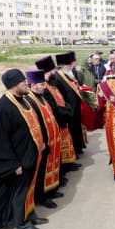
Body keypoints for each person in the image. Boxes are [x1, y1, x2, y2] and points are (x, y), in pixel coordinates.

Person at [0, 69, 47, 229]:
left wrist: (40, 143)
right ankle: (21, 223)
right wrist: (12, 164)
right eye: (23, 82)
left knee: (29, 189)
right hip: (20, 161)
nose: (27, 84)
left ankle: (30, 214)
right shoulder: (3, 107)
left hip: (31, 154)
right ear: (14, 85)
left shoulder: (23, 99)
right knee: (20, 193)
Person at [36, 55, 78, 187]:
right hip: (56, 121)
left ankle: (66, 167)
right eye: (52, 70)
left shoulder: (51, 82)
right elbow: (52, 106)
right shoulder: (44, 87)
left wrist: (66, 108)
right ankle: (60, 175)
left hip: (62, 117)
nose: (55, 71)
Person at [25, 70, 61, 209]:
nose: (44, 86)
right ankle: (42, 197)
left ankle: (50, 190)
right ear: (33, 85)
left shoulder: (41, 95)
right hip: (42, 143)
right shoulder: (30, 100)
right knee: (41, 172)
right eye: (41, 84)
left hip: (52, 139)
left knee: (50, 167)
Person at [55, 52, 86, 154]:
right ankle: (74, 151)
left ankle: (78, 148)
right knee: (71, 130)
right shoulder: (58, 78)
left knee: (76, 128)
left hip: (75, 108)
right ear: (63, 66)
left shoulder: (68, 74)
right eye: (69, 65)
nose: (71, 66)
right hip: (68, 109)